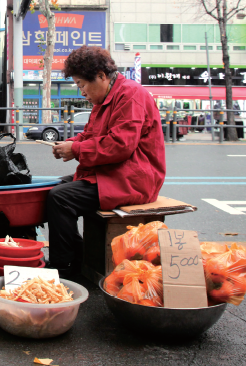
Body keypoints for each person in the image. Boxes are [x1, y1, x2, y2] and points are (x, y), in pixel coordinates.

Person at [46, 46, 166, 279]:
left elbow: (121, 145)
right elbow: (90, 135)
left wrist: (78, 149)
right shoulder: (104, 100)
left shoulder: (131, 94)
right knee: (53, 187)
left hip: (134, 178)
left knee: (60, 198)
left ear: (101, 75)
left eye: (82, 84)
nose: (82, 92)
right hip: (113, 173)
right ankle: (79, 256)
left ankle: (63, 268)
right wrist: (70, 144)